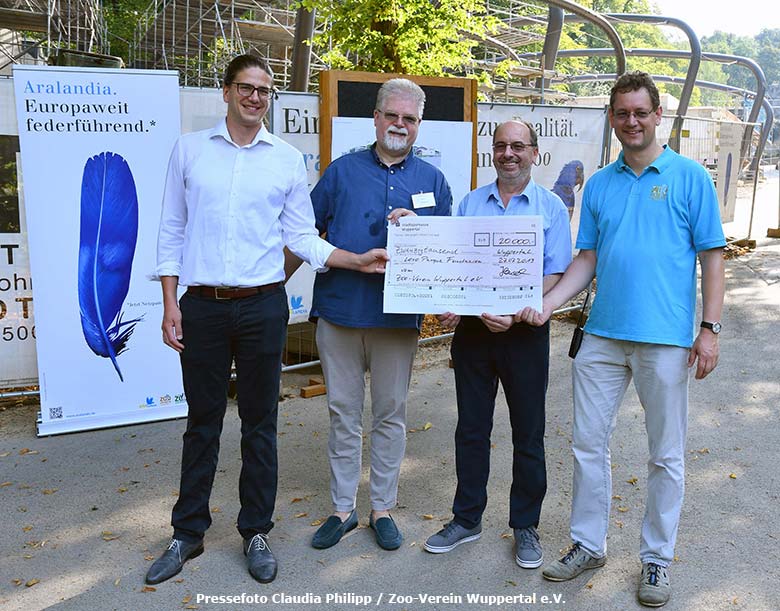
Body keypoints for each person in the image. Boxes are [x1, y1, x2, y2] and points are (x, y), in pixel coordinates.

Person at [147, 54, 388, 586]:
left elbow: (301, 237)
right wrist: (170, 303)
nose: (256, 97)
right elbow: (169, 230)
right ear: (227, 92)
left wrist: (354, 258)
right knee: (202, 424)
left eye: (265, 90)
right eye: (246, 88)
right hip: (202, 305)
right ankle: (187, 533)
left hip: (262, 306)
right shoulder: (189, 151)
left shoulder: (284, 159)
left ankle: (255, 531)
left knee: (261, 425)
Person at [518, 72, 726, 608]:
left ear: (658, 115)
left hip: (665, 340)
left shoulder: (689, 178)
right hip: (602, 337)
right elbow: (585, 259)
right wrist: (547, 304)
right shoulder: (602, 185)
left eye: (640, 112)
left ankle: (656, 559)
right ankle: (589, 544)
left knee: (666, 454)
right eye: (621, 113)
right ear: (611, 118)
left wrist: (709, 329)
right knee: (587, 445)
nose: (631, 122)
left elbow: (712, 258)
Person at [307, 78, 452, 551]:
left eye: (409, 118)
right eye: (392, 115)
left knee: (391, 414)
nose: (399, 125)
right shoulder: (340, 172)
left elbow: (445, 250)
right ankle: (342, 508)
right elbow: (308, 235)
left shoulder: (433, 181)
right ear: (375, 117)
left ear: (418, 124)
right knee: (343, 413)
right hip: (341, 312)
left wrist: (421, 229)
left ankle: (383, 507)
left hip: (397, 319)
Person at [422, 120, 572, 569]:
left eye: (518, 146)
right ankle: (466, 519)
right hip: (473, 334)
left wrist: (520, 308)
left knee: (529, 432)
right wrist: (450, 302)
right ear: (493, 152)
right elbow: (458, 265)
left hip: (525, 332)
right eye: (501, 146)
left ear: (535, 153)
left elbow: (556, 272)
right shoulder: (471, 203)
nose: (509, 153)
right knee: (471, 427)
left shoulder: (551, 208)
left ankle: (525, 525)